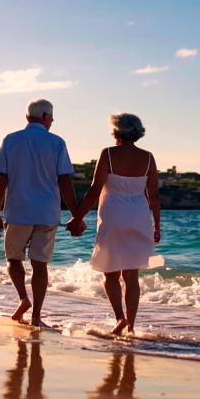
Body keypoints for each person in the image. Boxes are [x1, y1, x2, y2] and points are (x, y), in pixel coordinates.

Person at [0, 99, 81, 327]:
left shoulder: (11, 140)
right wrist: (77, 215)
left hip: (17, 211)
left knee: (14, 259)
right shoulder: (57, 142)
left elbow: (1, 179)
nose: (52, 121)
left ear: (27, 117)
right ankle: (36, 317)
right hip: (47, 213)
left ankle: (23, 298)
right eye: (51, 118)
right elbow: (65, 181)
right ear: (45, 117)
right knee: (40, 265)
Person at [71, 113, 161, 335]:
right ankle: (131, 326)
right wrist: (157, 226)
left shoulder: (108, 154)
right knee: (131, 275)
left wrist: (78, 217)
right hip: (139, 217)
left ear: (116, 131)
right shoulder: (148, 158)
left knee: (110, 273)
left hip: (113, 216)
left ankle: (120, 318)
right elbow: (154, 196)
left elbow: (95, 190)